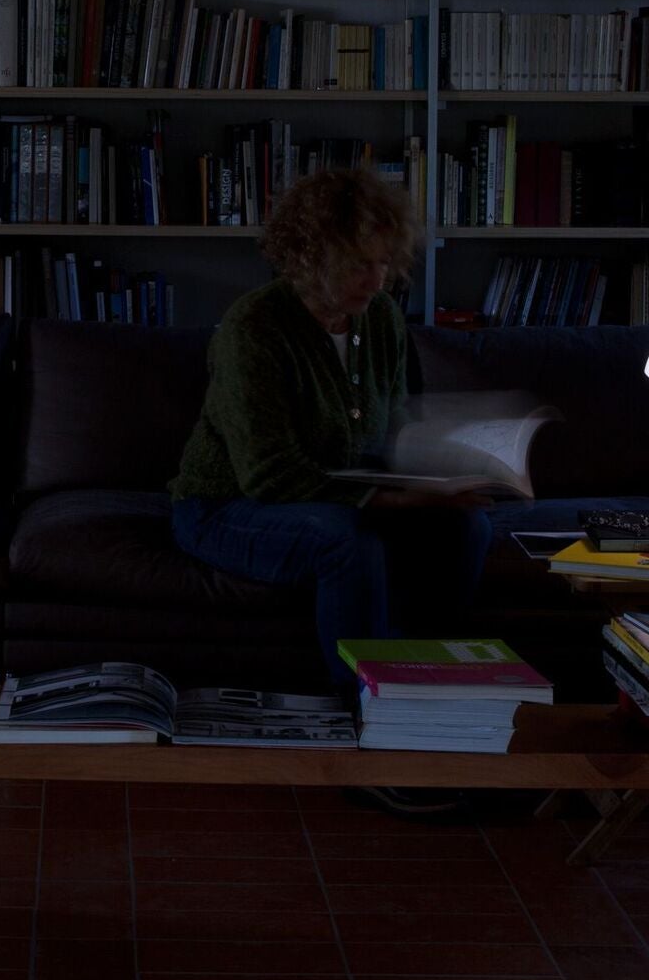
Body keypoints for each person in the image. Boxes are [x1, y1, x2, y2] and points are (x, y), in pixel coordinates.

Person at [167, 163, 476, 685]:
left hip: (338, 498)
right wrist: (393, 502)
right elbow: (271, 476)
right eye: (359, 265)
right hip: (225, 505)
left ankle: (431, 685)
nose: (376, 281)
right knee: (344, 541)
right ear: (310, 256)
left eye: (384, 263)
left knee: (464, 527)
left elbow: (392, 425)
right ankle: (366, 702)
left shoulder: (382, 319)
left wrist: (441, 471)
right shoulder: (254, 327)